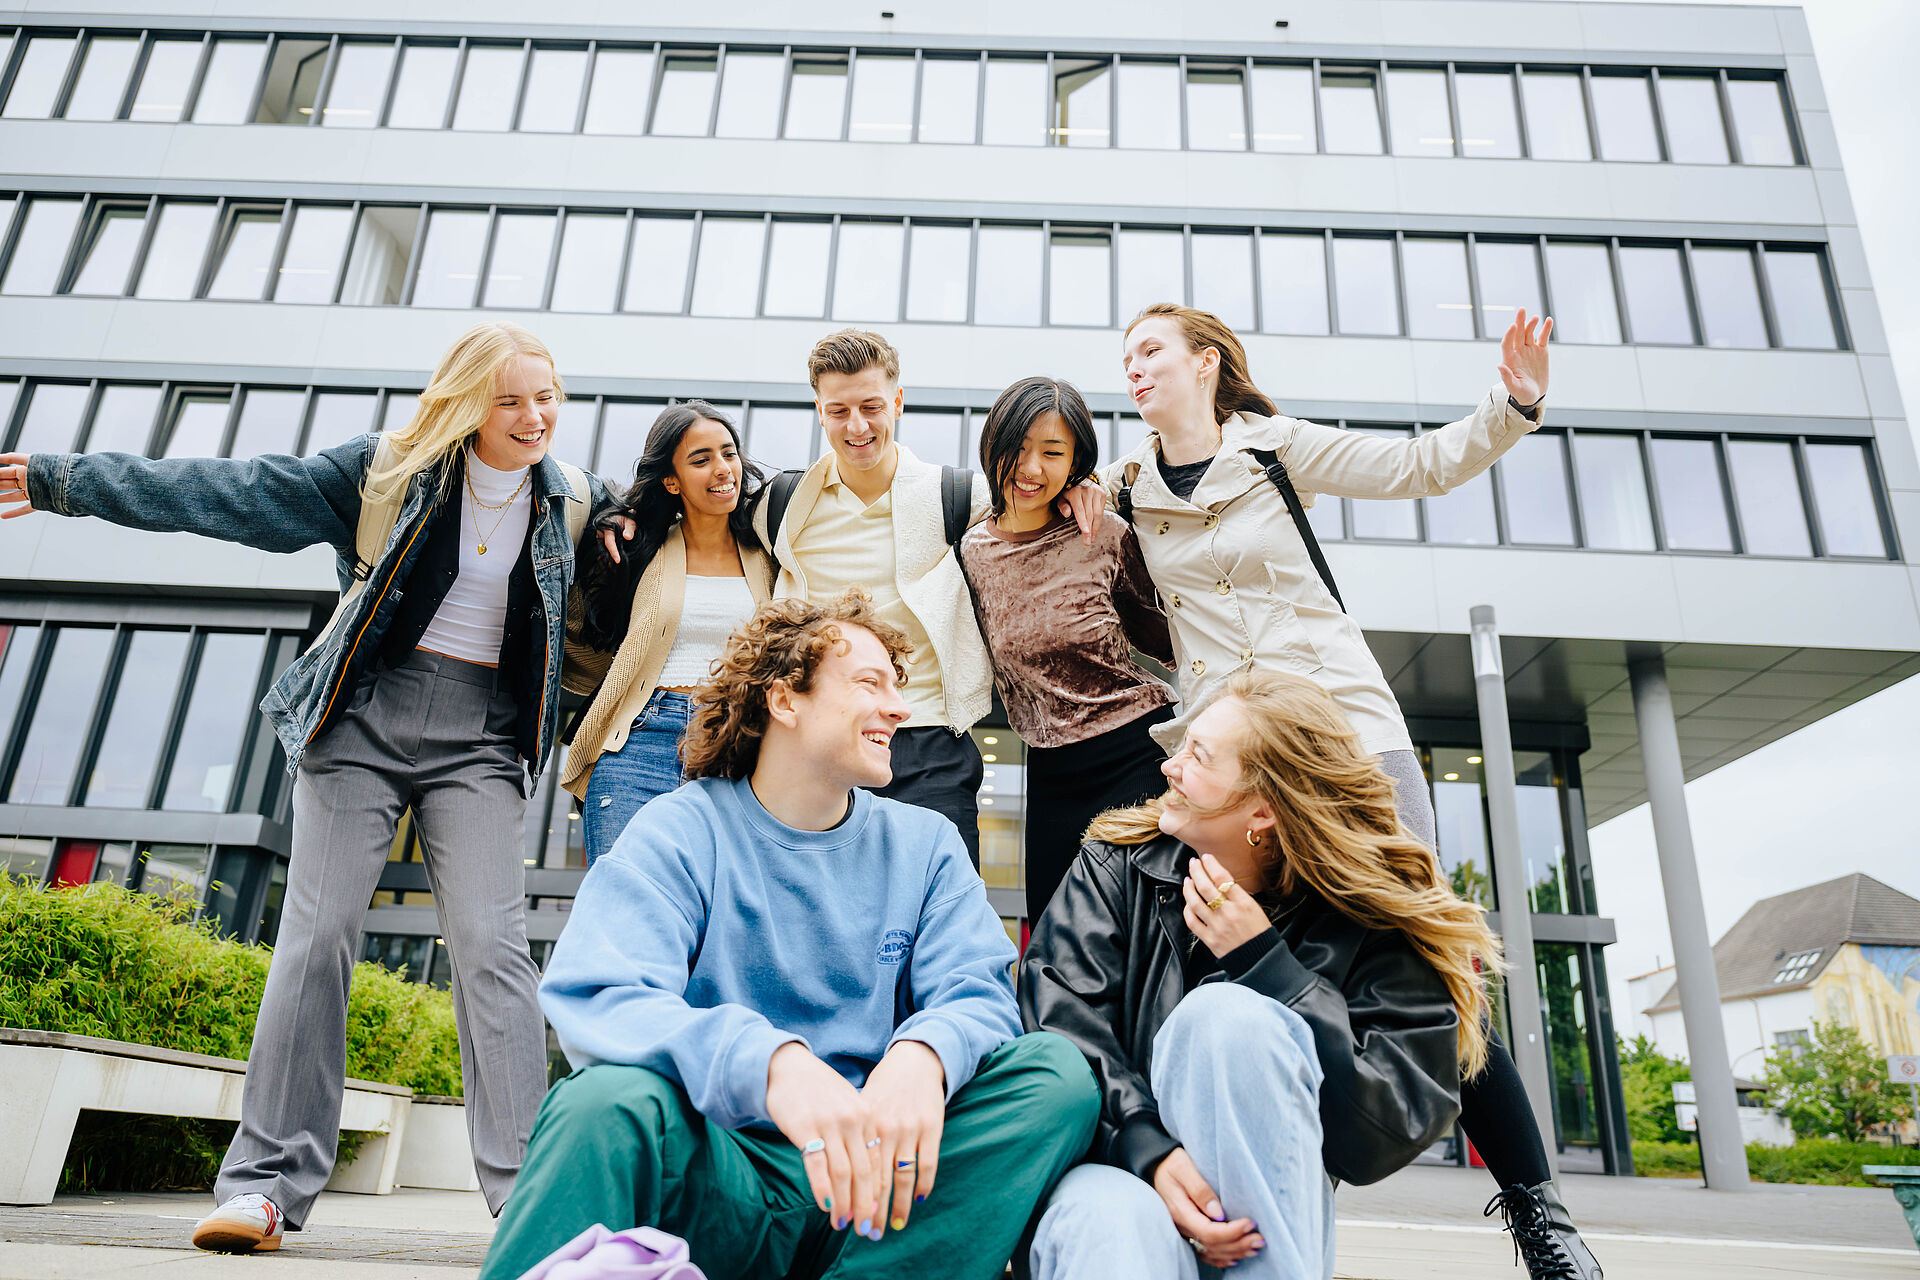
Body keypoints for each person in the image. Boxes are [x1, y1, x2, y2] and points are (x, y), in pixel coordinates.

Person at [0, 322, 613, 1253]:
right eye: (510, 400)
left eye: (548, 396)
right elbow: (227, 493)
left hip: (480, 743)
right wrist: (59, 482)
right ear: (464, 403)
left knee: (493, 945)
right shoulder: (380, 475)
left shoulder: (576, 506)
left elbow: (684, 532)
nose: (536, 417)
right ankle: (264, 1188)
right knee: (317, 933)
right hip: (360, 722)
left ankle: (526, 1192)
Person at [1107, 303, 1600, 1279]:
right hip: (1236, 767)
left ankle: (1542, 1216)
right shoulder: (1124, 492)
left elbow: (1419, 467)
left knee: (1425, 969)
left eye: (1152, 349)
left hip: (1347, 742)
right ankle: (1286, 1230)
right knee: (1257, 984)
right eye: (1125, 357)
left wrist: (1514, 402)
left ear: (1206, 363)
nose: (1134, 366)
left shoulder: (1277, 449)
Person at [478, 590, 1099, 1280]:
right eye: (870, 683)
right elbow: (599, 994)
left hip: (881, 1199)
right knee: (599, 1102)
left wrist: (923, 1054)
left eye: (900, 688)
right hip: (726, 1181)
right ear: (785, 701)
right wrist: (773, 1065)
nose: (899, 708)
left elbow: (979, 994)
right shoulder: (681, 829)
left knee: (1056, 1076)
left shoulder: (926, 846)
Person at [1020, 671, 1502, 1280]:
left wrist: (1266, 966)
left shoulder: (1368, 914)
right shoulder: (1115, 864)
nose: (1169, 766)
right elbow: (1058, 1027)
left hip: (1264, 1204)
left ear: (1263, 810)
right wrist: (1151, 1153)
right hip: (1114, 1169)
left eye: (1197, 755)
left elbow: (1382, 1134)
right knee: (1114, 1221)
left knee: (1225, 1015)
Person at [751, 329, 1104, 863]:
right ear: (819, 411)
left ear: (896, 401)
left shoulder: (958, 496)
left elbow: (1038, 493)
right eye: (838, 410)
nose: (857, 426)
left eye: (871, 406)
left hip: (928, 739)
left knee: (943, 920)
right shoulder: (780, 504)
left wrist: (1084, 482)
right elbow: (691, 512)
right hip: (818, 744)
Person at [957, 376, 1175, 924]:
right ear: (993, 445)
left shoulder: (1102, 533)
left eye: (1053, 453)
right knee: (1055, 933)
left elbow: (1173, 640)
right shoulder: (969, 550)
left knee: (1144, 927)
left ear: (1076, 462)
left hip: (1137, 750)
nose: (1032, 469)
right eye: (1019, 448)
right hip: (1049, 766)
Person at [562, 401, 773, 865]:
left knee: (721, 919)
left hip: (738, 748)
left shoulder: (769, 550)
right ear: (671, 480)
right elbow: (580, 630)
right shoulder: (639, 547)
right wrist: (605, 527)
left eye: (728, 453)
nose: (723, 469)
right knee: (625, 912)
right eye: (701, 460)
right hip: (639, 743)